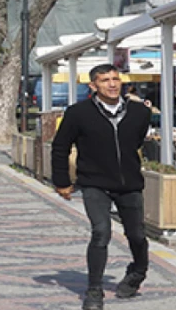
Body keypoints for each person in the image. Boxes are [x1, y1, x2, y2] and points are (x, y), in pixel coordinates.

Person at [52, 64, 151, 310]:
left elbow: (136, 140)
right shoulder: (78, 113)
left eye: (116, 79)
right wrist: (62, 182)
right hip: (94, 183)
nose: (112, 84)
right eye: (105, 80)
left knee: (137, 235)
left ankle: (138, 271)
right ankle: (94, 290)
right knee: (101, 232)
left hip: (129, 184)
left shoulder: (139, 112)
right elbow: (60, 146)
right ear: (93, 86)